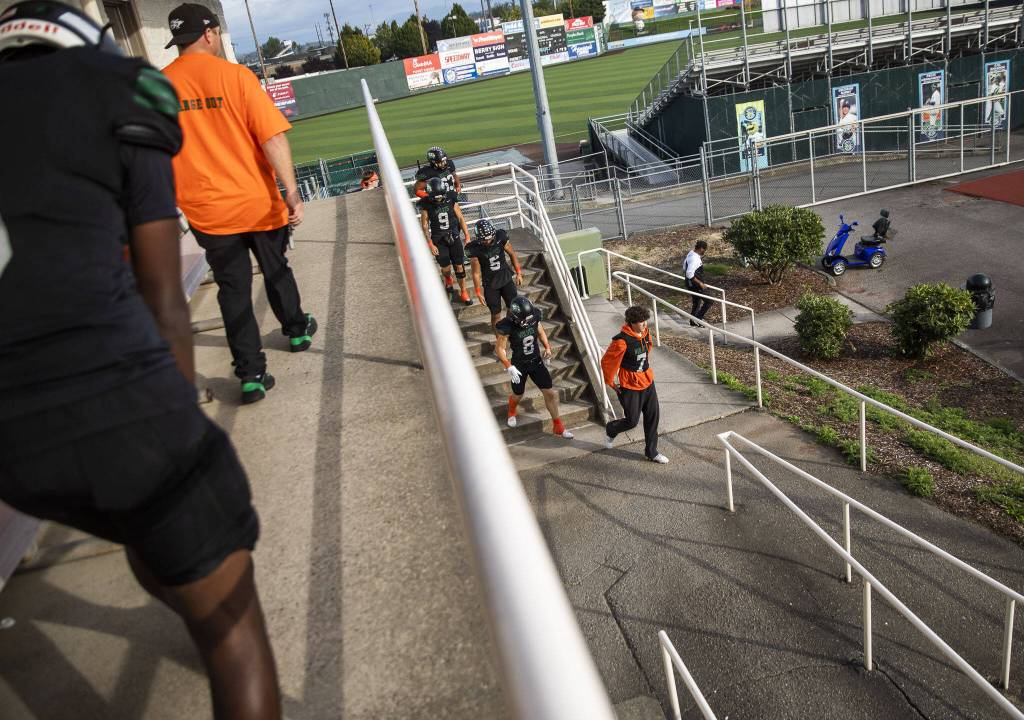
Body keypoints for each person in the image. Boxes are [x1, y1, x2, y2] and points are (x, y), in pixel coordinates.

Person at [0, 3, 281, 718]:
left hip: (11, 445)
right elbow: (164, 301)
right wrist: (175, 422)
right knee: (234, 630)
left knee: (143, 518)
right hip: (108, 391)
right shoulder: (121, 88)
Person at [163, 2, 316, 405]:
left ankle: (250, 375)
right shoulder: (236, 76)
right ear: (210, 33)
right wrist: (292, 191)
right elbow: (272, 139)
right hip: (257, 202)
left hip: (206, 213)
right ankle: (297, 331)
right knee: (276, 268)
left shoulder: (157, 86)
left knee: (232, 288)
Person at [495, 296, 574, 439]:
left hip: (536, 361)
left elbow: (541, 331)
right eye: (524, 320)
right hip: (519, 365)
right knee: (518, 394)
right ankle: (511, 410)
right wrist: (509, 366)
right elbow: (500, 349)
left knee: (550, 393)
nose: (527, 322)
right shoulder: (508, 325)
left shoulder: (534, 316)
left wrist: (548, 348)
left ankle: (558, 426)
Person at [601, 305, 668, 463]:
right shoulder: (621, 342)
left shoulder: (645, 333)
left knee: (653, 416)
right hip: (630, 385)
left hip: (647, 381)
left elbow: (648, 346)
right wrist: (611, 382)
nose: (644, 324)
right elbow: (607, 362)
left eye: (645, 321)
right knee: (632, 421)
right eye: (640, 322)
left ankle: (651, 452)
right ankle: (612, 429)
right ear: (631, 322)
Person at [419, 177, 472, 304]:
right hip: (438, 239)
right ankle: (448, 278)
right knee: (446, 267)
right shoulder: (426, 204)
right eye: (436, 197)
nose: (439, 199)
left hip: (453, 235)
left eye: (441, 196)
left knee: (459, 266)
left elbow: (460, 217)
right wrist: (430, 244)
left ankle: (463, 291)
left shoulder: (450, 198)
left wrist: (467, 235)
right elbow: (425, 226)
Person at [466, 219, 523, 329]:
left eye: (489, 238)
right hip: (490, 284)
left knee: (512, 308)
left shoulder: (500, 237)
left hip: (505, 277)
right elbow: (476, 273)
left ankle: (509, 329)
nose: (488, 241)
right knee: (496, 315)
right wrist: (478, 291)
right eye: (484, 240)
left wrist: (518, 272)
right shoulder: (474, 249)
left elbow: (512, 253)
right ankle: (500, 337)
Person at [683, 240, 713, 326]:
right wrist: (700, 283)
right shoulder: (694, 259)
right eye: (704, 250)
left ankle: (693, 321)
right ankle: (698, 319)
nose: (705, 251)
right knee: (709, 301)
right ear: (700, 249)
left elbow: (684, 266)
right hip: (695, 284)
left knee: (697, 301)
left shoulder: (691, 253)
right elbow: (689, 273)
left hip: (689, 283)